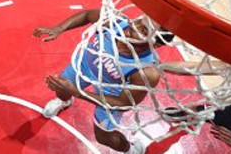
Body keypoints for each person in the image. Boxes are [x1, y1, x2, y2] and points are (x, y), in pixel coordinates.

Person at [34, 8, 173, 154]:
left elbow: (123, 103)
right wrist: (58, 29)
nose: (134, 27)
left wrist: (77, 92)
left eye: (144, 31)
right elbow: (87, 15)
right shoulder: (115, 23)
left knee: (104, 137)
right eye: (140, 21)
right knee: (61, 89)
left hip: (112, 92)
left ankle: (130, 150)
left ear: (156, 45)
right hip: (85, 65)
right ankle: (65, 101)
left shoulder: (147, 71)